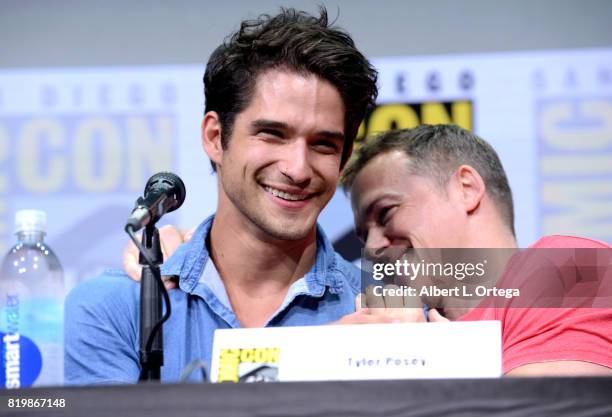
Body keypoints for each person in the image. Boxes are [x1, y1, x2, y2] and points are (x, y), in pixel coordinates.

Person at [64, 6, 394, 385]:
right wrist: (316, 361)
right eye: (273, 134)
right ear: (215, 138)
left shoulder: (385, 312)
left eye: (322, 144)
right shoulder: (114, 307)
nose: (299, 168)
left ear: (344, 157)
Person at [341, 124, 612, 376]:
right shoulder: (415, 330)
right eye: (364, 237)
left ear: (466, 189)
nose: (373, 247)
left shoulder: (568, 268)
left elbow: (552, 406)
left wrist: (418, 358)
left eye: (385, 212)